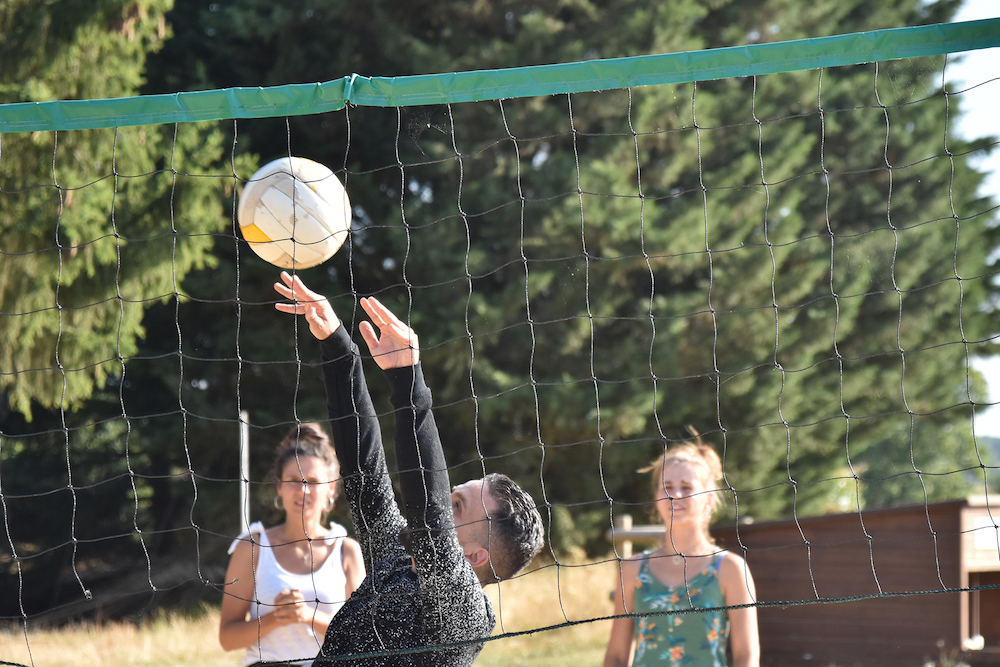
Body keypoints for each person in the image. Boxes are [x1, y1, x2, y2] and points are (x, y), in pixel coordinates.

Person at [272, 271, 545, 666]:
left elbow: (428, 516)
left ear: (476, 557)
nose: (443, 502)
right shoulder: (398, 561)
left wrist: (408, 381)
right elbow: (366, 477)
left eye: (457, 505)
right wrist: (337, 347)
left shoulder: (464, 616)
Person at [604, 435, 760, 667]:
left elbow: (746, 656)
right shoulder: (632, 569)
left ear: (708, 499)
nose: (675, 494)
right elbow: (616, 656)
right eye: (667, 487)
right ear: (656, 497)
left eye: (686, 487)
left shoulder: (730, 568)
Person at [219, 423, 366, 666]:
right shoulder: (252, 547)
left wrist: (308, 616)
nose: (303, 490)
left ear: (330, 488)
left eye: (312, 481)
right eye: (294, 480)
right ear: (279, 485)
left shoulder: (347, 550)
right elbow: (227, 639)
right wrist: (275, 618)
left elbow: (361, 638)